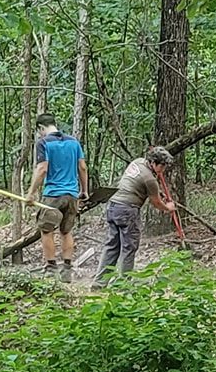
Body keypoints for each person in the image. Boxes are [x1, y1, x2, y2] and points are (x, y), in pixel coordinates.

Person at [99, 147, 179, 282]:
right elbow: (156, 203)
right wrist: (168, 207)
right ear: (153, 163)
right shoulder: (150, 179)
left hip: (113, 206)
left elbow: (136, 183)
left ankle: (99, 283)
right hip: (127, 210)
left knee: (112, 246)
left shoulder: (137, 162)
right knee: (129, 248)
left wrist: (158, 192)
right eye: (162, 166)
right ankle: (125, 284)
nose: (163, 170)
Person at [26, 115, 89, 282]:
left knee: (47, 230)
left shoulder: (44, 143)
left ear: (41, 128)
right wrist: (84, 191)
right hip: (71, 194)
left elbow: (42, 169)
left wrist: (31, 192)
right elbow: (82, 167)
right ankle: (67, 269)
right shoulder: (73, 142)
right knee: (66, 231)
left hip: (53, 195)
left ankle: (51, 268)